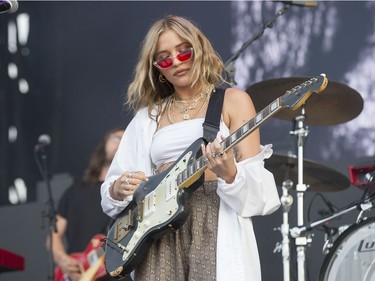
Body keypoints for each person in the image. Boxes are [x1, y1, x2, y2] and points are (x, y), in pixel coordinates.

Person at [101, 15, 281, 281]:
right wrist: (119, 188)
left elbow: (259, 193)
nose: (175, 61)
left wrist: (230, 173)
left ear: (199, 49)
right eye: (164, 58)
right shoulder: (147, 117)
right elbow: (112, 189)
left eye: (183, 51)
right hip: (158, 230)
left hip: (215, 217)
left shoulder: (233, 101)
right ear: (157, 69)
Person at [49, 128, 125, 281]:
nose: (121, 143)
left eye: (125, 140)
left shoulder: (129, 193)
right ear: (104, 144)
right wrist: (62, 260)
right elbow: (53, 235)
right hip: (75, 274)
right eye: (116, 138)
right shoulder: (74, 192)